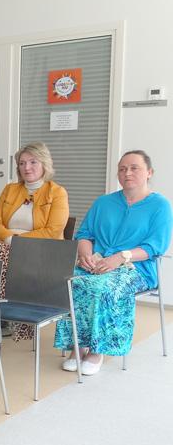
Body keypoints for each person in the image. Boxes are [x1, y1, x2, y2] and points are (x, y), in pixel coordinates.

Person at [55, 150, 173, 375]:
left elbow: (155, 246)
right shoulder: (104, 202)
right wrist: (86, 255)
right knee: (71, 281)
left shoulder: (160, 206)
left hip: (136, 267)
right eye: (122, 169)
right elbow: (84, 235)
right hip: (97, 262)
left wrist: (119, 257)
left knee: (103, 287)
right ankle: (78, 346)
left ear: (149, 172)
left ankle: (97, 350)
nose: (127, 173)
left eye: (134, 168)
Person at [0, 143, 70, 342]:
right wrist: (10, 239)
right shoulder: (10, 189)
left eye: (33, 162)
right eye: (22, 163)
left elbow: (53, 231)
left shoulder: (57, 192)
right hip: (7, 244)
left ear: (44, 164)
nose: (27, 167)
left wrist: (17, 242)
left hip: (43, 250)